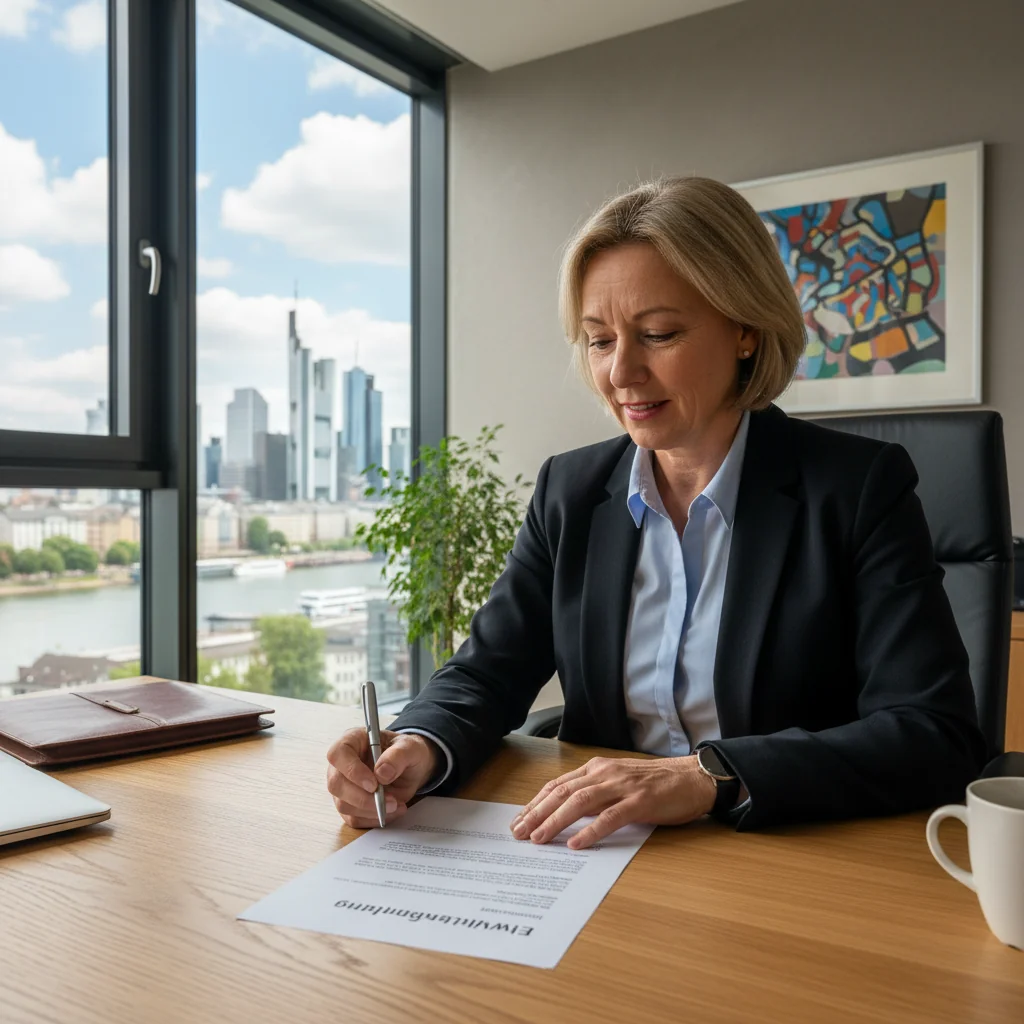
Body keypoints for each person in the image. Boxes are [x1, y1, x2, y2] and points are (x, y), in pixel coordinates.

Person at [325, 176, 986, 849]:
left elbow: (934, 731)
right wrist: (418, 743)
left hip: (784, 851)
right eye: (599, 340)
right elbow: (491, 668)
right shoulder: (571, 490)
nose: (620, 374)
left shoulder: (857, 489)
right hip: (597, 850)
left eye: (658, 334)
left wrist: (711, 777)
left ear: (746, 332)